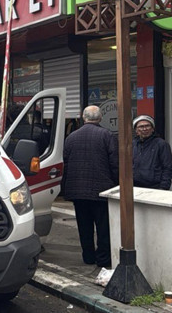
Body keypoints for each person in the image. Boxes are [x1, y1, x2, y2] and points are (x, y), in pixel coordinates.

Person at [62, 105, 119, 268]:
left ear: (83, 117)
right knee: (103, 227)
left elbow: (66, 162)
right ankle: (103, 258)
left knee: (84, 225)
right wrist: (115, 184)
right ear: (100, 118)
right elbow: (115, 164)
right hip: (102, 189)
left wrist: (66, 188)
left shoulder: (71, 137)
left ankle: (88, 256)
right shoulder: (107, 135)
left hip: (77, 190)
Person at [132, 115, 172, 190]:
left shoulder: (161, 144)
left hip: (155, 188)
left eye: (147, 126)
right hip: (135, 188)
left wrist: (163, 188)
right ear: (136, 130)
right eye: (141, 127)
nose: (144, 129)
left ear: (152, 129)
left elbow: (168, 168)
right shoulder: (132, 145)